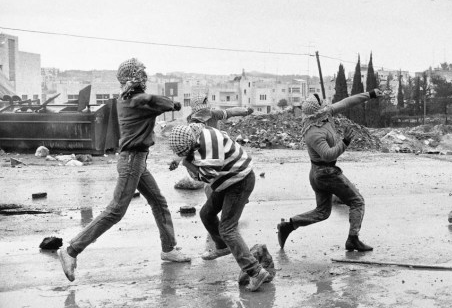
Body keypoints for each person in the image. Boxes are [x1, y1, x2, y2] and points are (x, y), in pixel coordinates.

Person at [58, 58, 191, 282]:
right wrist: (174, 105)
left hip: (137, 161)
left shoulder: (128, 99)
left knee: (159, 202)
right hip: (131, 162)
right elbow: (164, 102)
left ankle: (169, 249)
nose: (144, 79)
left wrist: (164, 103)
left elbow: (156, 101)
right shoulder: (138, 100)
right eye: (141, 76)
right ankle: (71, 250)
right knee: (115, 211)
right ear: (136, 80)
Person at [168, 123, 272, 292]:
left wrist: (186, 162)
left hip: (239, 181)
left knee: (227, 228)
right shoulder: (197, 133)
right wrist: (181, 158)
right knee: (206, 214)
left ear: (191, 144)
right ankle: (223, 246)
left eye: (185, 152)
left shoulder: (209, 147)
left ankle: (256, 271)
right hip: (226, 181)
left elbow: (205, 177)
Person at [277, 89, 382, 252]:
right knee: (357, 201)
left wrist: (370, 94)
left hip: (317, 173)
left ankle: (289, 225)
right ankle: (353, 239)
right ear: (318, 109)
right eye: (321, 102)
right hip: (325, 173)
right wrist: (345, 142)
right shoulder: (314, 132)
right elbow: (327, 155)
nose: (325, 103)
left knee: (322, 212)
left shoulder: (321, 115)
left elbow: (346, 102)